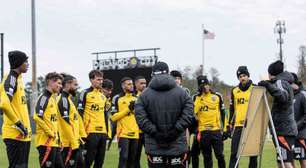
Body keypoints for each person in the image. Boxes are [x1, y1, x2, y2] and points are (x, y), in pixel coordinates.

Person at [135, 61, 194, 168]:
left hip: (154, 146)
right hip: (177, 146)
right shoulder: (183, 93)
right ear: (168, 73)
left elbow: (140, 118)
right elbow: (189, 114)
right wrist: (175, 131)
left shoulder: (143, 95)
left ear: (152, 74)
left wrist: (155, 133)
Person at [258, 60, 298, 168]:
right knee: (281, 161)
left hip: (284, 130)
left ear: (272, 74)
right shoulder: (283, 82)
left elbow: (283, 96)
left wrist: (267, 85)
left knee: (286, 162)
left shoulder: (280, 82)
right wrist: (270, 84)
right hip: (285, 129)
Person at [0, 51, 31, 168]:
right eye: (25, 61)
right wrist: (19, 124)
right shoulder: (11, 79)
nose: (28, 64)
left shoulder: (19, 78)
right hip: (15, 134)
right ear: (18, 63)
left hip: (23, 135)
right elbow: (4, 104)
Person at [77, 70, 108, 168]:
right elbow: (79, 113)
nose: (101, 82)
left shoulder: (103, 96)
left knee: (100, 162)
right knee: (87, 161)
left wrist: (107, 132)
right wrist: (82, 133)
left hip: (102, 133)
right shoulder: (85, 93)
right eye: (98, 79)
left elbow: (104, 115)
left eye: (101, 79)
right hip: (90, 132)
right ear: (91, 80)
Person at [193, 75, 226, 168]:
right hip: (203, 131)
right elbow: (194, 112)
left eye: (207, 84)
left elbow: (223, 113)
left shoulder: (217, 96)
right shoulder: (196, 98)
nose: (206, 87)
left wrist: (225, 128)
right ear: (200, 87)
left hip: (216, 130)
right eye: (203, 85)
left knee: (220, 155)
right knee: (207, 157)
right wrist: (200, 97)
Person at [228, 66, 257, 168]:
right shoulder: (234, 91)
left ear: (248, 76)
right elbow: (232, 109)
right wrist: (228, 125)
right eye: (240, 76)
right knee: (234, 153)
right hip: (238, 126)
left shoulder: (255, 88)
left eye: (244, 75)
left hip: (252, 126)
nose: (242, 78)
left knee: (253, 154)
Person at [33, 72, 65, 168]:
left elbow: (54, 121)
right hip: (45, 142)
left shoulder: (53, 99)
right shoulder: (44, 98)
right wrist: (50, 133)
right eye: (58, 83)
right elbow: (37, 117)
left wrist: (59, 138)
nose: (60, 86)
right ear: (50, 82)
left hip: (54, 142)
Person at [57, 73, 85, 168]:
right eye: (75, 85)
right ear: (68, 85)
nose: (76, 87)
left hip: (75, 142)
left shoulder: (69, 100)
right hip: (68, 144)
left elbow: (74, 121)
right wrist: (73, 143)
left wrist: (80, 138)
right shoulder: (63, 100)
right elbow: (66, 124)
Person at [111, 77, 139, 168]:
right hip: (123, 133)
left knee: (132, 159)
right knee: (124, 158)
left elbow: (140, 115)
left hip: (135, 133)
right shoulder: (117, 98)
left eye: (132, 84)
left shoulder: (137, 98)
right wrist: (128, 109)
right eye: (129, 84)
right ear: (123, 86)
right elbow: (113, 117)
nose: (132, 86)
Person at [291, 73, 306, 168]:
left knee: (302, 159)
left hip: (301, 134)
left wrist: (296, 126)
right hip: (290, 135)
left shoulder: (303, 94)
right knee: (290, 159)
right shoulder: (289, 96)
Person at [134, 76, 147, 168]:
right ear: (136, 84)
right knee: (135, 158)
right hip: (136, 133)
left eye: (145, 83)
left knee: (153, 155)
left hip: (147, 132)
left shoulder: (149, 97)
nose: (144, 85)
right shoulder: (132, 97)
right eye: (141, 83)